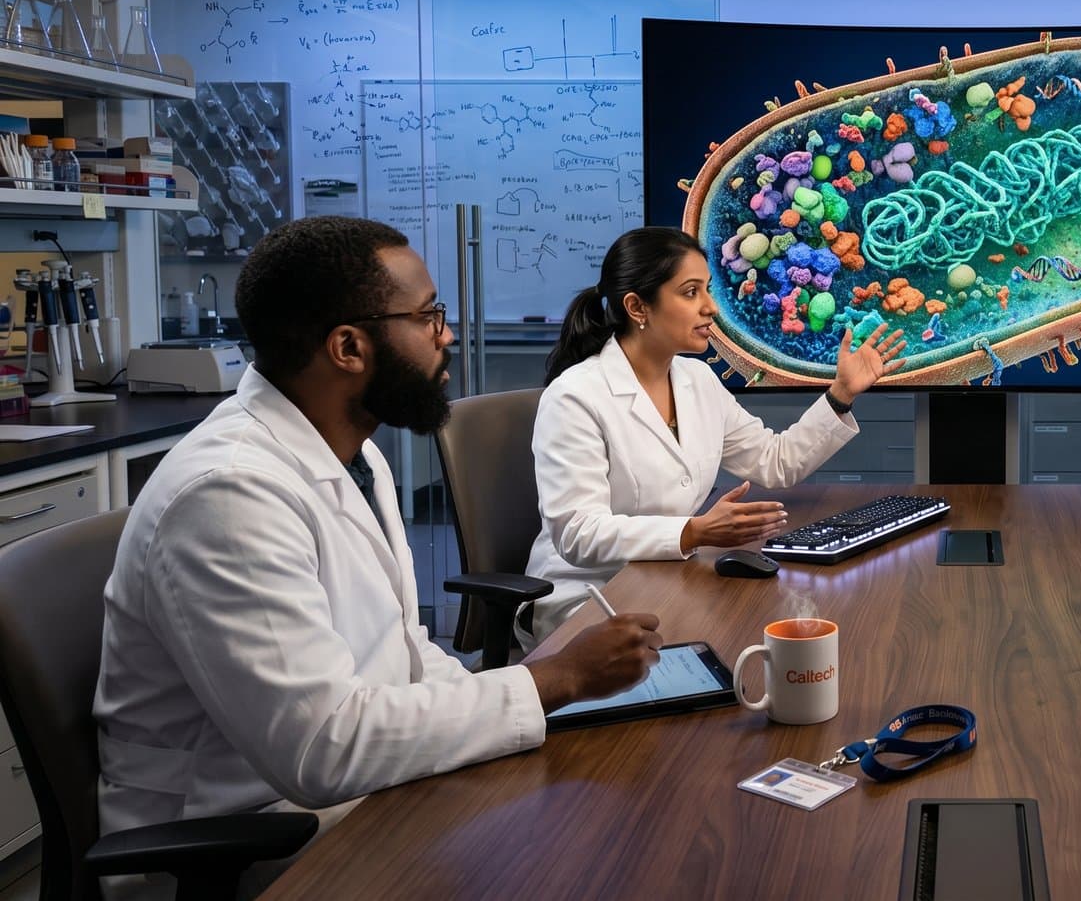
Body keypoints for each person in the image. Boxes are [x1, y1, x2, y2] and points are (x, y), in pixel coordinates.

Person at [94, 217, 661, 899]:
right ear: (348, 347)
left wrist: (538, 701)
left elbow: (405, 651)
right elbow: (323, 748)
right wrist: (553, 679)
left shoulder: (354, 454)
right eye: (427, 316)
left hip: (364, 797)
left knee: (610, 819)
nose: (445, 334)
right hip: (252, 846)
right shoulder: (226, 495)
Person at [525, 227, 906, 641]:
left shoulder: (697, 379)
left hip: (666, 577)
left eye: (707, 290)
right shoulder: (575, 397)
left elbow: (776, 462)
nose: (712, 308)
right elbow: (577, 533)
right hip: (587, 597)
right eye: (691, 293)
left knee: (769, 624)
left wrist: (841, 394)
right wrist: (693, 531)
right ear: (638, 307)